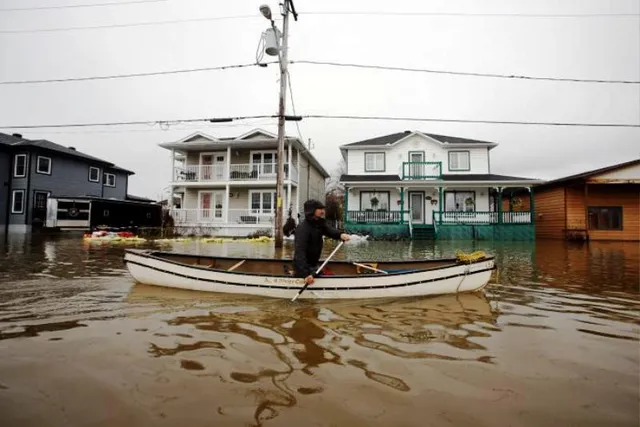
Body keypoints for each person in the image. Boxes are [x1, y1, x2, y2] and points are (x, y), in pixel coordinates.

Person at [293, 199, 350, 286]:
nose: (323, 211)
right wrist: (305, 274)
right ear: (312, 210)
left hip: (313, 264)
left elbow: (329, 230)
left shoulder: (320, 223)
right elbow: (300, 253)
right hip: (303, 267)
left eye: (323, 209)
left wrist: (340, 235)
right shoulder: (303, 229)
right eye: (320, 209)